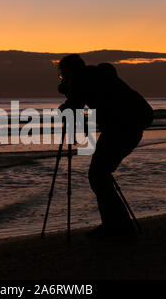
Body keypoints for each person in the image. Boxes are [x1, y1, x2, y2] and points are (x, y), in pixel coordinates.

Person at [57, 54, 153, 238]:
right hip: (127, 127)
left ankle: (117, 227)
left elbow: (74, 106)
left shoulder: (81, 79)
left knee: (98, 176)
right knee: (100, 175)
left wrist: (64, 108)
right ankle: (115, 224)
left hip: (121, 129)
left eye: (61, 75)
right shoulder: (95, 76)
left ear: (68, 71)